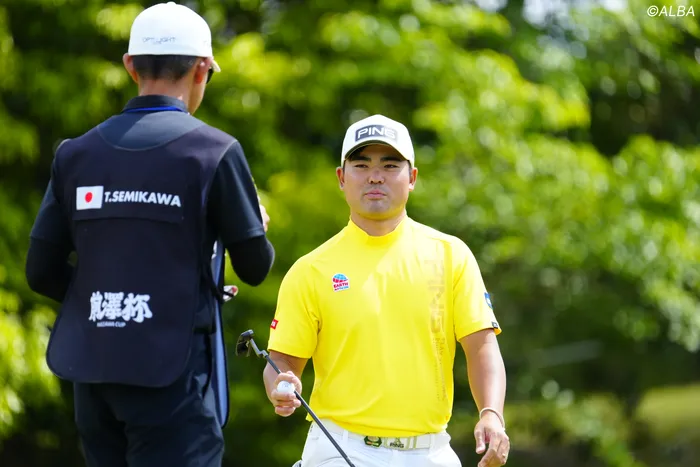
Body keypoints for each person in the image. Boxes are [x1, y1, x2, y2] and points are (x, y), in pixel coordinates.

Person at [25, 3, 274, 466]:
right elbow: (255, 267)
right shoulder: (214, 152)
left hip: (92, 373)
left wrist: (101, 302)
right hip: (172, 377)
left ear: (130, 65)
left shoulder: (75, 154)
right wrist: (253, 224)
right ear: (201, 69)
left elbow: (40, 271)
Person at [263, 114, 510, 467]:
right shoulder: (311, 269)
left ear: (412, 178)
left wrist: (491, 414)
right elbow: (282, 360)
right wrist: (281, 385)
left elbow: (482, 346)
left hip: (430, 451)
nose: (375, 176)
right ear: (341, 177)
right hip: (340, 446)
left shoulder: (450, 254)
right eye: (361, 165)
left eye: (390, 165)